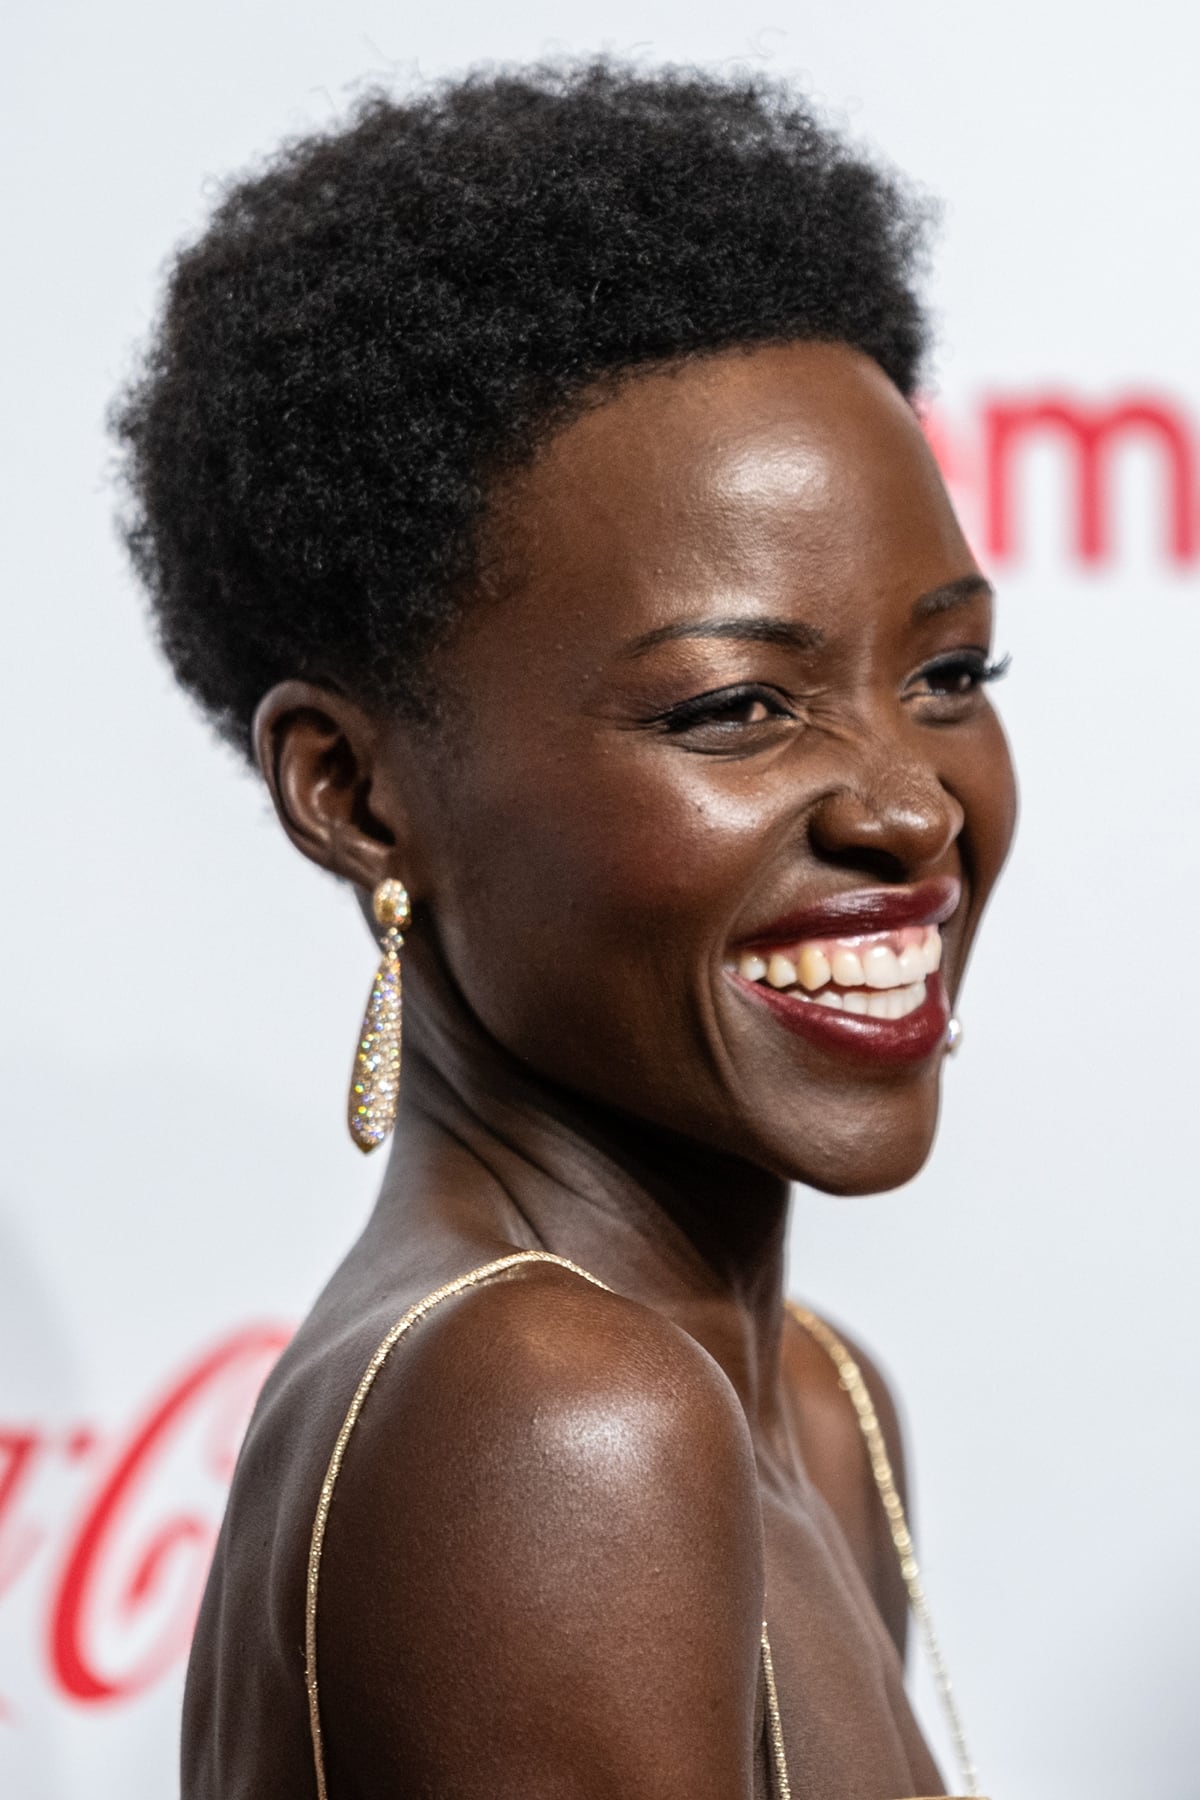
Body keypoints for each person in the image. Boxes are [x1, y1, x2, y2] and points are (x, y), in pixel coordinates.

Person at [114, 60, 1015, 1800]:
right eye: (738, 707)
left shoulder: (812, 1408)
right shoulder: (554, 1419)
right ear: (354, 794)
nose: (908, 807)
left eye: (951, 674)